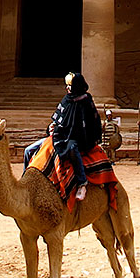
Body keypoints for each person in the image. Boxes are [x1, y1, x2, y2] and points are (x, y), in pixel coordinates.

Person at [50, 71, 102, 201]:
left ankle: (82, 183)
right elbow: (59, 118)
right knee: (30, 150)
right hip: (60, 135)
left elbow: (91, 122)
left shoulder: (85, 100)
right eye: (67, 85)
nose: (67, 88)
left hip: (79, 138)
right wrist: (52, 127)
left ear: (77, 86)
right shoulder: (66, 99)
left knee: (72, 149)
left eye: (70, 85)